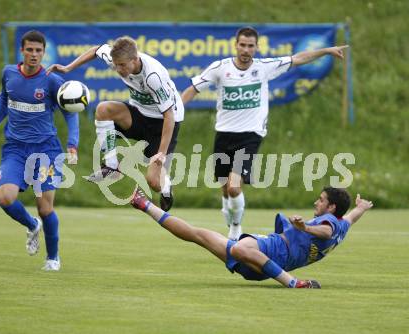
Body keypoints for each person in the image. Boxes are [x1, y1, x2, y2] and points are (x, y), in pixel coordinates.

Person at [181, 27, 349, 240]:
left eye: (250, 46)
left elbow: (298, 58)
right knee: (225, 188)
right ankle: (228, 210)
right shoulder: (220, 68)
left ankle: (235, 228)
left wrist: (325, 50)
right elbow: (192, 89)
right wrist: (175, 111)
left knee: (234, 187)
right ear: (236, 45)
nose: (246, 49)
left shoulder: (264, 67)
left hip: (250, 135)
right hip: (224, 134)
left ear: (256, 47)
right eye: (242, 45)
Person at [130, 186, 373, 288]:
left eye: (320, 200)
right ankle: (144, 204)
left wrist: (305, 228)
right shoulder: (343, 224)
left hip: (273, 251)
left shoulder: (329, 224)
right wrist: (361, 207)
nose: (315, 202)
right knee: (198, 235)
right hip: (263, 266)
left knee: (234, 248)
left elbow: (325, 231)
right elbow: (351, 217)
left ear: (331, 208)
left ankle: (293, 283)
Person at [0, 30, 79, 271]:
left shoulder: (51, 80)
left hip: (46, 151)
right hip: (15, 149)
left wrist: (72, 144)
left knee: (45, 208)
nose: (34, 55)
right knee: (5, 198)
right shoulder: (9, 73)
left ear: (44, 53)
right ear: (22, 51)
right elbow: (3, 99)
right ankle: (32, 225)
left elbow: (70, 112)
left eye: (38, 51)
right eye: (30, 50)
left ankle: (53, 258)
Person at [47, 36, 184, 211]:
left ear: (135, 60)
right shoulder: (117, 59)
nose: (118, 69)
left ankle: (166, 187)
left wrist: (162, 154)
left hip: (164, 121)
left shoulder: (152, 77)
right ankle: (112, 165)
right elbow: (97, 50)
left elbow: (169, 116)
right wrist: (68, 68)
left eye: (122, 65)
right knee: (103, 110)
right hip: (139, 114)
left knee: (154, 182)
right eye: (116, 64)